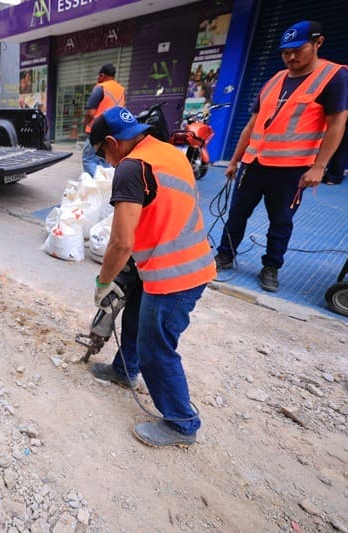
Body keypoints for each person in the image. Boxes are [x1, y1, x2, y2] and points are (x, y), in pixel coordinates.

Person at [88, 106, 216, 448]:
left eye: (104, 154)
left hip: (175, 274)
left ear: (113, 142)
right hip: (178, 259)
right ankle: (123, 370)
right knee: (133, 317)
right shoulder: (163, 150)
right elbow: (159, 210)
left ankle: (181, 423)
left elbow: (120, 241)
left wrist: (104, 283)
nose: (107, 163)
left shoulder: (130, 168)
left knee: (156, 348)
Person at [215, 21, 348, 292]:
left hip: (292, 168)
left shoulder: (334, 77)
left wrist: (319, 167)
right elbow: (252, 124)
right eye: (285, 52)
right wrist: (234, 160)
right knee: (236, 215)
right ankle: (225, 255)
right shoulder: (275, 80)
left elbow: (337, 125)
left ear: (318, 43)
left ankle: (271, 266)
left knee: (280, 222)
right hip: (253, 164)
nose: (290, 57)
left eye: (297, 50)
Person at [82, 64, 126, 176]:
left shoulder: (100, 88)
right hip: (113, 130)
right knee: (105, 160)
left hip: (97, 130)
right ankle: (106, 186)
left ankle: (96, 186)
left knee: (89, 159)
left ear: (102, 75)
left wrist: (84, 123)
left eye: (98, 76)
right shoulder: (121, 90)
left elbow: (90, 112)